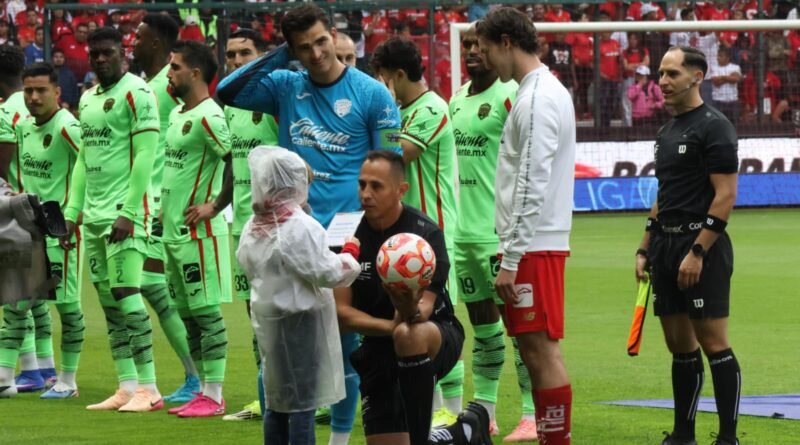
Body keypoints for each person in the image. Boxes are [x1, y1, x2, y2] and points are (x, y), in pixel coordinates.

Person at [217, 5, 402, 444]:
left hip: (344, 234)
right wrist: (282, 56)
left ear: (333, 35)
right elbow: (226, 90)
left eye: (321, 41)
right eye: (305, 47)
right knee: (276, 350)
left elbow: (387, 168)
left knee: (344, 342)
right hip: (289, 233)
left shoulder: (372, 94)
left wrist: (377, 232)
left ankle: (337, 440)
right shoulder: (285, 84)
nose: (317, 53)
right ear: (293, 50)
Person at [335, 151, 489, 445]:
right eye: (362, 184)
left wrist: (405, 309)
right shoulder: (346, 232)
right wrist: (388, 327)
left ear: (400, 190)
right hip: (378, 348)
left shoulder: (424, 234)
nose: (366, 194)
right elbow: (340, 314)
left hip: (434, 335)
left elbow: (421, 311)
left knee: (409, 334)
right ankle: (463, 433)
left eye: (376, 186)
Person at [476, 8, 576, 445]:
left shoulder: (537, 99)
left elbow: (533, 180)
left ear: (506, 42)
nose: (482, 59)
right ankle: (551, 438)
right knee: (534, 352)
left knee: (540, 350)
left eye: (483, 49)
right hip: (532, 243)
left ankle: (557, 440)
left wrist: (511, 257)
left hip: (535, 245)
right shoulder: (535, 92)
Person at [637, 46, 740, 445]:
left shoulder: (715, 127)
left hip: (702, 247)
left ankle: (728, 438)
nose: (663, 82)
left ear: (698, 76)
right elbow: (663, 195)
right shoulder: (666, 132)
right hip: (666, 246)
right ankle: (683, 435)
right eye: (661, 74)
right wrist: (645, 246)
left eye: (672, 74)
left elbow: (725, 196)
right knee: (679, 346)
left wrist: (698, 251)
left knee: (714, 343)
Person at [61, 27, 163, 413]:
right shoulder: (87, 99)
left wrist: (130, 212)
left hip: (128, 214)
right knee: (108, 302)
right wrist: (73, 212)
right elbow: (84, 160)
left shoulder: (138, 93)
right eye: (95, 54)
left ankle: (150, 388)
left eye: (107, 53)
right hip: (95, 217)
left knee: (127, 295)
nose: (100, 59)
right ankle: (126, 384)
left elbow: (146, 157)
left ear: (122, 53)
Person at [448, 27, 539, 444]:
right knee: (483, 328)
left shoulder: (509, 95)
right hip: (463, 235)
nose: (471, 52)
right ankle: (484, 412)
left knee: (519, 328)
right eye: (466, 45)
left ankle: (533, 414)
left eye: (479, 46)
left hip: (496, 234)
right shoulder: (456, 98)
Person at [237, 147, 361, 445]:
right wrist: (350, 252)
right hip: (302, 322)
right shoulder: (300, 226)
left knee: (276, 401)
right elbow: (329, 273)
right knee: (303, 404)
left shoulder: (252, 225)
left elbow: (246, 262)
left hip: (267, 318)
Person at [369, 36, 463, 428]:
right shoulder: (406, 110)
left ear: (398, 76)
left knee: (436, 312)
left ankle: (455, 410)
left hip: (433, 231)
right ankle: (429, 401)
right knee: (405, 316)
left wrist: (384, 110)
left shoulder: (432, 108)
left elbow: (394, 158)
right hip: (402, 234)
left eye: (382, 78)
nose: (379, 86)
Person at [159, 40, 232, 418]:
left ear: (195, 73)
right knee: (188, 318)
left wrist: (215, 206)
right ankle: (203, 390)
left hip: (199, 236)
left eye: (174, 67)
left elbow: (237, 161)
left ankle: (216, 395)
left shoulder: (210, 116)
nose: (169, 73)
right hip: (173, 233)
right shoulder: (176, 114)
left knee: (206, 315)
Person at [132, 11, 201, 405]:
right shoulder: (149, 85)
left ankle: (196, 377)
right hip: (148, 201)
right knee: (155, 289)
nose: (133, 43)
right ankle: (191, 376)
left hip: (161, 203)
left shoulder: (165, 86)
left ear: (155, 42)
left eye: (138, 37)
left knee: (157, 289)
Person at [5, 63, 85, 399]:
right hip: (27, 232)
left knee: (67, 307)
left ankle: (68, 380)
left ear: (57, 92)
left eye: (41, 90)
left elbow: (92, 167)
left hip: (59, 234)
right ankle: (5, 378)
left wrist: (73, 215)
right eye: (28, 91)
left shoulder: (68, 126)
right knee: (14, 303)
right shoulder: (22, 126)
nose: (34, 97)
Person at [219, 27, 280, 423]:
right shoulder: (229, 106)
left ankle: (307, 393)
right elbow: (232, 162)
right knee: (254, 315)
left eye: (245, 54)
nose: (237, 62)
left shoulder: (276, 100)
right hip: (240, 226)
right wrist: (217, 204)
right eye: (231, 55)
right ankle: (266, 395)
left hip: (276, 227)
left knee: (285, 314)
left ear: (261, 57)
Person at [0, 43, 59, 395]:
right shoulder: (34, 107)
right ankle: (41, 368)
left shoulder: (8, 111)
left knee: (15, 293)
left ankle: (13, 374)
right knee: (32, 294)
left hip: (14, 208)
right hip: (35, 206)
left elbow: (3, 169)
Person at [709, 47, 741, 125]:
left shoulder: (735, 67)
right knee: (718, 125)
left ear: (727, 58)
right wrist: (729, 77)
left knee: (733, 124)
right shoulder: (714, 67)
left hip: (732, 101)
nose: (718, 58)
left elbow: (736, 79)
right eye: (718, 56)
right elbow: (716, 82)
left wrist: (722, 77)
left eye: (720, 56)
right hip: (718, 101)